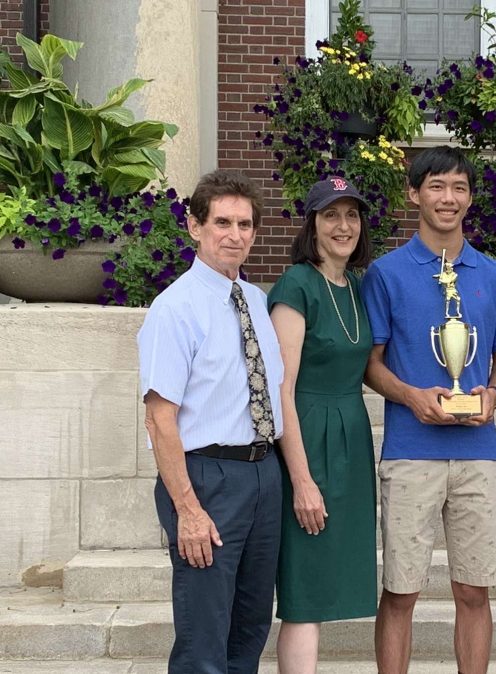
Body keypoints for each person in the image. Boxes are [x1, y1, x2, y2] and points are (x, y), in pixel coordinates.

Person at [361, 146, 496, 674]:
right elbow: (371, 365)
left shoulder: (495, 277)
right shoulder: (385, 273)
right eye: (435, 186)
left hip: (480, 454)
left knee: (474, 591)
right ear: (414, 193)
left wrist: (493, 396)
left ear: (470, 198)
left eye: (458, 188)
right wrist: (412, 396)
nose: (447, 198)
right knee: (401, 592)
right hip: (411, 453)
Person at [138, 170, 285, 673]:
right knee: (205, 633)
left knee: (250, 627)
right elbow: (160, 419)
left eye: (245, 224)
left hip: (264, 474)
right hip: (207, 478)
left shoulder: (258, 303)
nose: (235, 234)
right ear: (195, 226)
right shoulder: (174, 309)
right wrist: (188, 509)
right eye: (222, 222)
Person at [267, 177, 376, 673]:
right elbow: (281, 388)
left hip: (351, 436)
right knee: (305, 588)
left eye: (351, 215)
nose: (343, 226)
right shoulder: (296, 283)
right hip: (308, 434)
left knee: (329, 581)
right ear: (312, 223)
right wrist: (302, 480)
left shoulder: (357, 284)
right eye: (331, 215)